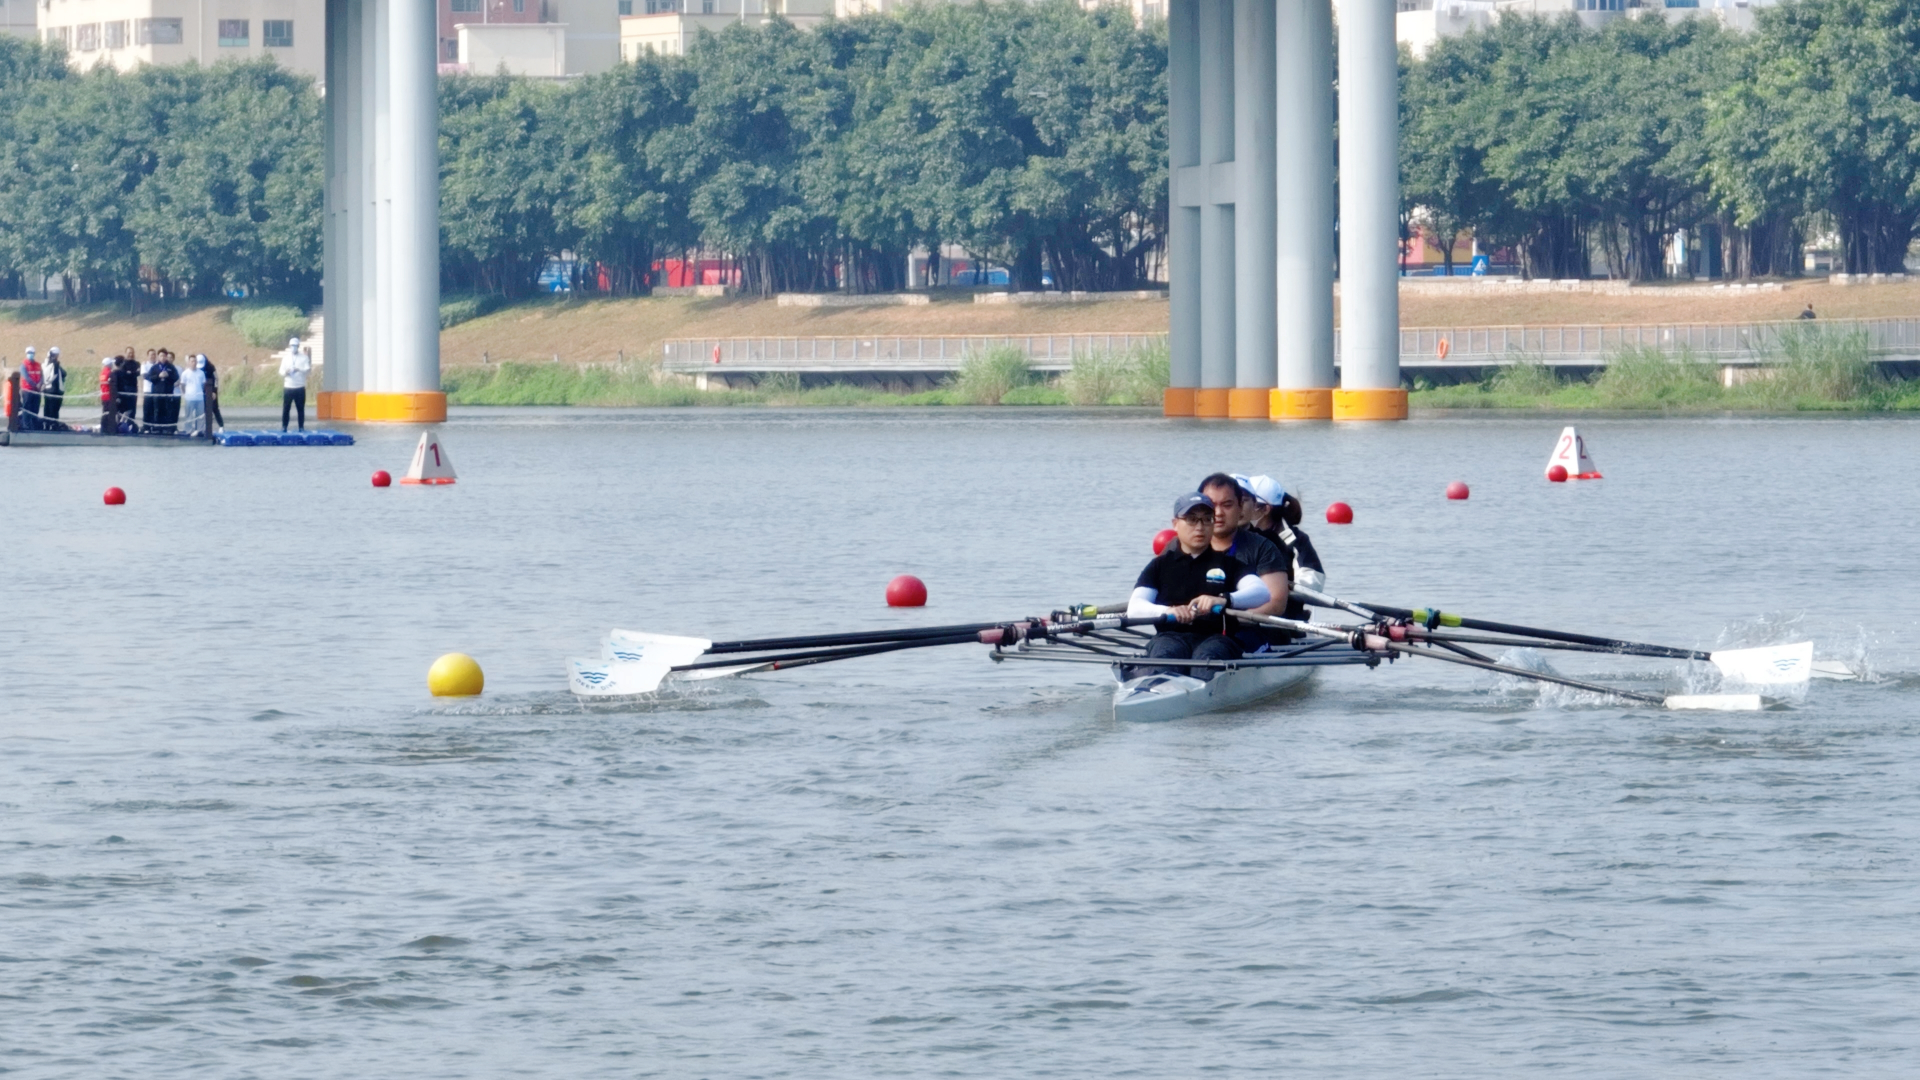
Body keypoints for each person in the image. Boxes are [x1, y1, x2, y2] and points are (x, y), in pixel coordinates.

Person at [1123, 492, 1272, 683]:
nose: (1200, 527)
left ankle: (1198, 691)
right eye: (1192, 520)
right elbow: (1134, 608)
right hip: (1170, 637)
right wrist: (1169, 611)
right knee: (1165, 654)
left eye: (1206, 519)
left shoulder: (1229, 563)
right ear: (1175, 523)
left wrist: (1224, 599)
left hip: (1216, 638)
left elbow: (1262, 593)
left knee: (1206, 657)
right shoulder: (1159, 566)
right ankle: (1158, 688)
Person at [1197, 472, 1293, 650]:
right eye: (1211, 505)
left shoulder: (1263, 547)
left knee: (1215, 648)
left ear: (1240, 508)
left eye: (1227, 505)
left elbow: (1276, 603)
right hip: (1196, 630)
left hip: (1253, 629)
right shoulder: (1178, 547)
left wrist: (1230, 619)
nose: (1218, 513)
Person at [1238, 474, 1327, 624]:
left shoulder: (1296, 540)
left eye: (1245, 502)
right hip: (1247, 615)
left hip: (1286, 619)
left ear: (1264, 509)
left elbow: (1313, 583)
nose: (1239, 509)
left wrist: (1279, 586)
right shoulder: (1239, 537)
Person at [279, 336, 310, 431]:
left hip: (299, 387)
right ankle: (284, 426)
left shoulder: (304, 358)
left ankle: (301, 427)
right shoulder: (286, 358)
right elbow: (281, 371)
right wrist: (286, 372)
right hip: (288, 387)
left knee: (300, 409)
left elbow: (308, 369)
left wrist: (299, 369)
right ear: (289, 346)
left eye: (296, 346)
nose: (294, 347)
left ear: (298, 346)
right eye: (292, 346)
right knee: (286, 408)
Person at [149, 350, 180, 432]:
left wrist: (168, 375)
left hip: (168, 392)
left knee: (168, 410)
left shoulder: (171, 367)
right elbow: (150, 377)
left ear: (166, 357)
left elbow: (176, 377)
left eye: (164, 356)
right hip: (157, 392)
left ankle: (167, 428)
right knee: (157, 410)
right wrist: (158, 376)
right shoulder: (155, 367)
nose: (162, 358)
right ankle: (156, 428)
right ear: (158, 357)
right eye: (161, 356)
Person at [178, 353, 207, 436]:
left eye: (195, 361)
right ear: (189, 362)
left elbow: (203, 385)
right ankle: (188, 430)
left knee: (200, 416)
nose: (193, 363)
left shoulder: (201, 373)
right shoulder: (185, 373)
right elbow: (182, 385)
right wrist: (185, 394)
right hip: (189, 398)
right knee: (189, 416)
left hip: (199, 398)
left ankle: (200, 430)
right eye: (192, 361)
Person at [198, 354, 224, 430]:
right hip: (201, 391)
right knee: (202, 409)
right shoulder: (196, 368)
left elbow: (216, 379)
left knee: (214, 408)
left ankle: (221, 425)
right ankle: (202, 427)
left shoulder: (211, 367)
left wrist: (214, 391)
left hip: (211, 391)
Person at [18, 346, 41, 430]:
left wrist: (40, 384)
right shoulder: (23, 365)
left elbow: (41, 376)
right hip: (27, 390)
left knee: (35, 408)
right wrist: (35, 385)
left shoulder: (38, 365)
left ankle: (34, 425)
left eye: (31, 353)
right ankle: (26, 425)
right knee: (27, 408)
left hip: (37, 391)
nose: (30, 354)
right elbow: (26, 377)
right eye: (28, 353)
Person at [41, 346, 65, 425]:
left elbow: (63, 374)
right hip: (53, 390)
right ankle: (51, 425)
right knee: (52, 410)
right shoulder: (52, 364)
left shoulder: (51, 364)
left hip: (52, 390)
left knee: (51, 409)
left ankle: (50, 424)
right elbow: (52, 376)